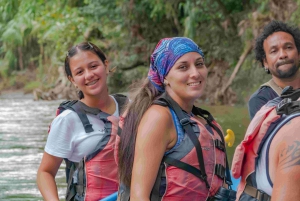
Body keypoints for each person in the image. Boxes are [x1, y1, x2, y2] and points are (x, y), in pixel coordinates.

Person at [116, 37, 234, 201]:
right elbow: (139, 196)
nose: (195, 73)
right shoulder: (159, 117)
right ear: (165, 77)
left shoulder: (205, 122)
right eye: (183, 67)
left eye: (199, 64)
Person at [36, 42, 128, 201]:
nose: (89, 75)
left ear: (106, 65)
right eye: (80, 72)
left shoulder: (131, 109)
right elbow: (45, 173)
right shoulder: (67, 121)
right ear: (72, 79)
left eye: (93, 66)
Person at [248, 20, 300, 119]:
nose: (283, 55)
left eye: (288, 47)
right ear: (265, 63)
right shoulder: (260, 100)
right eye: (274, 51)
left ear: (299, 54)